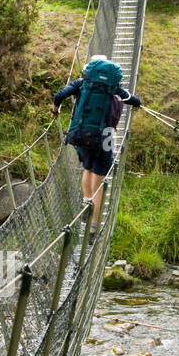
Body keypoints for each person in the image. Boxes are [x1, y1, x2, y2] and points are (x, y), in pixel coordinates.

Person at [52, 56, 141, 235]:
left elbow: (59, 95)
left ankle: (86, 201)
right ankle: (93, 229)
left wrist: (55, 110)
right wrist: (137, 103)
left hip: (81, 133)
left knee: (88, 169)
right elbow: (132, 99)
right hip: (105, 137)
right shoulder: (113, 86)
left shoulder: (81, 83)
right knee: (100, 181)